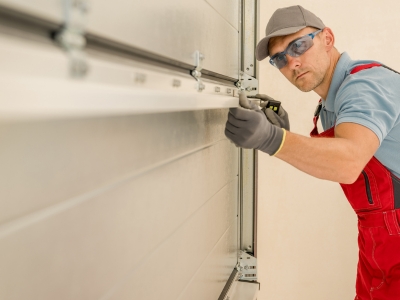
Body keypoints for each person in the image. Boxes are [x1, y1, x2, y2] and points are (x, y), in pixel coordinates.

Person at [225, 5, 400, 300]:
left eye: (299, 45)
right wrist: (285, 137)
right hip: (379, 246)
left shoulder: (363, 86)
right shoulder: (331, 104)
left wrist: (273, 139)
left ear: (328, 38)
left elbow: (348, 162)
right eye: (279, 58)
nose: (291, 62)